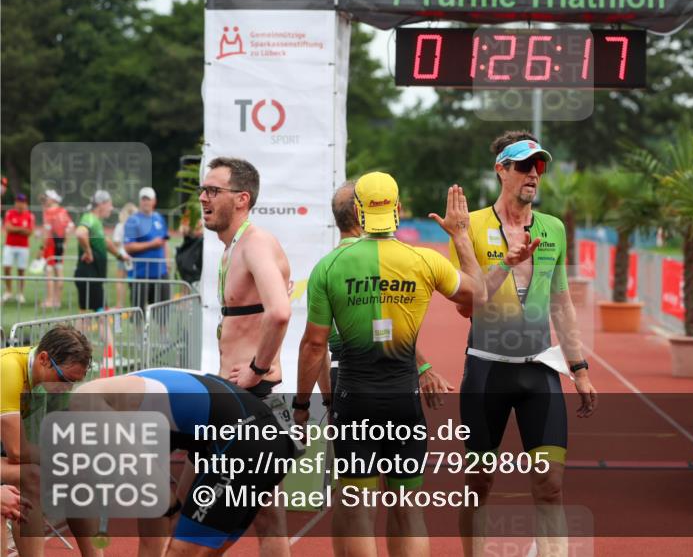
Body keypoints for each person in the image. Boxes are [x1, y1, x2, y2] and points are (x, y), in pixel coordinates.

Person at [294, 171, 490, 557]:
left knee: (358, 509)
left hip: (354, 400)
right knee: (407, 504)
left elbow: (314, 344)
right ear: (397, 210)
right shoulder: (423, 261)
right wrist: (461, 237)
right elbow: (480, 295)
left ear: (361, 212)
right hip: (404, 399)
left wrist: (302, 407)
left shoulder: (330, 267)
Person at [455, 131, 597, 557]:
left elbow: (561, 303)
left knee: (550, 485)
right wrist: (506, 262)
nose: (533, 174)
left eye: (540, 165)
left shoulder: (553, 228)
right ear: (501, 170)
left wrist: (581, 369)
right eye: (523, 165)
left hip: (540, 370)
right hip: (486, 370)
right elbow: (466, 306)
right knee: (479, 482)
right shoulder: (470, 227)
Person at [71, 368, 297, 557]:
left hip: (246, 439)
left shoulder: (87, 401)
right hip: (265, 436)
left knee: (182, 550)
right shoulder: (134, 413)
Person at [296, 180, 454, 419]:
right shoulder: (387, 261)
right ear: (362, 213)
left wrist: (318, 401)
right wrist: (422, 367)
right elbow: (390, 327)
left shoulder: (327, 267)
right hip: (395, 376)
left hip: (344, 377)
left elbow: (316, 345)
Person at [199, 156, 292, 556]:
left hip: (251, 394)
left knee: (225, 510)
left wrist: (256, 369)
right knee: (260, 511)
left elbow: (280, 312)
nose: (203, 198)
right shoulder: (231, 248)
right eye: (202, 190)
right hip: (232, 394)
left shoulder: (255, 244)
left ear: (242, 198)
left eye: (213, 191)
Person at [0, 325, 97, 557]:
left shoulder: (52, 379)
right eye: (64, 379)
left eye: (73, 383)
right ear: (43, 359)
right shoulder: (8, 368)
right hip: (9, 449)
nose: (66, 388)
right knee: (34, 475)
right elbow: (17, 451)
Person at [74, 190, 127, 312]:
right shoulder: (90, 218)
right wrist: (88, 252)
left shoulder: (96, 222)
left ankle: (76, 332)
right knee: (102, 315)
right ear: (101, 204)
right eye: (109, 204)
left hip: (92, 276)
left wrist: (120, 256)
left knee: (85, 316)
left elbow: (105, 242)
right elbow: (81, 233)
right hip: (89, 275)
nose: (111, 208)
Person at [124, 187, 170, 309]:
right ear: (140, 201)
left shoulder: (159, 218)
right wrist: (151, 244)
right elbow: (128, 247)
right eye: (143, 199)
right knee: (139, 313)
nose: (145, 202)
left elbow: (165, 242)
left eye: (148, 199)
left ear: (154, 201)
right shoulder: (133, 220)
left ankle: (163, 329)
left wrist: (167, 261)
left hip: (160, 273)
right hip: (140, 274)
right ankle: (140, 329)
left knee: (162, 313)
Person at [40, 190, 74, 308]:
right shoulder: (63, 211)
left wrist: (41, 247)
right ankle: (57, 301)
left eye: (47, 198)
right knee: (59, 272)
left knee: (49, 272)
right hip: (60, 244)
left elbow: (47, 231)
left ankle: (49, 301)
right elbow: (70, 227)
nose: (45, 200)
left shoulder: (49, 212)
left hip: (50, 245)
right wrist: (65, 243)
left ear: (52, 199)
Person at [3, 193, 35, 304]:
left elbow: (29, 232)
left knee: (21, 270)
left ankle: (20, 293)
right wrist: (22, 229)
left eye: (22, 202)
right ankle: (8, 291)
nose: (19, 204)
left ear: (25, 203)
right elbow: (8, 228)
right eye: (17, 202)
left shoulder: (29, 215)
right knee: (7, 268)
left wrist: (15, 228)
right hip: (10, 245)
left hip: (23, 246)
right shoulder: (10, 213)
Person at [112, 202, 137, 308]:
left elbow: (116, 242)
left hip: (122, 256)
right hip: (134, 256)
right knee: (134, 281)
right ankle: (135, 304)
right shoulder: (136, 226)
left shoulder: (120, 226)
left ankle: (119, 304)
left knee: (120, 281)